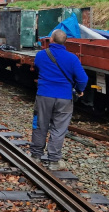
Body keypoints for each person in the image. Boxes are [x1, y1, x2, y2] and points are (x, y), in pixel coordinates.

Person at [30, 29, 88, 170]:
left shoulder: (41, 55)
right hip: (64, 98)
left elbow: (37, 68)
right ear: (65, 41)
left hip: (44, 95)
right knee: (59, 129)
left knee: (40, 125)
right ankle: (54, 161)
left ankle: (36, 156)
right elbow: (83, 79)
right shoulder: (72, 58)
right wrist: (79, 90)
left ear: (51, 40)